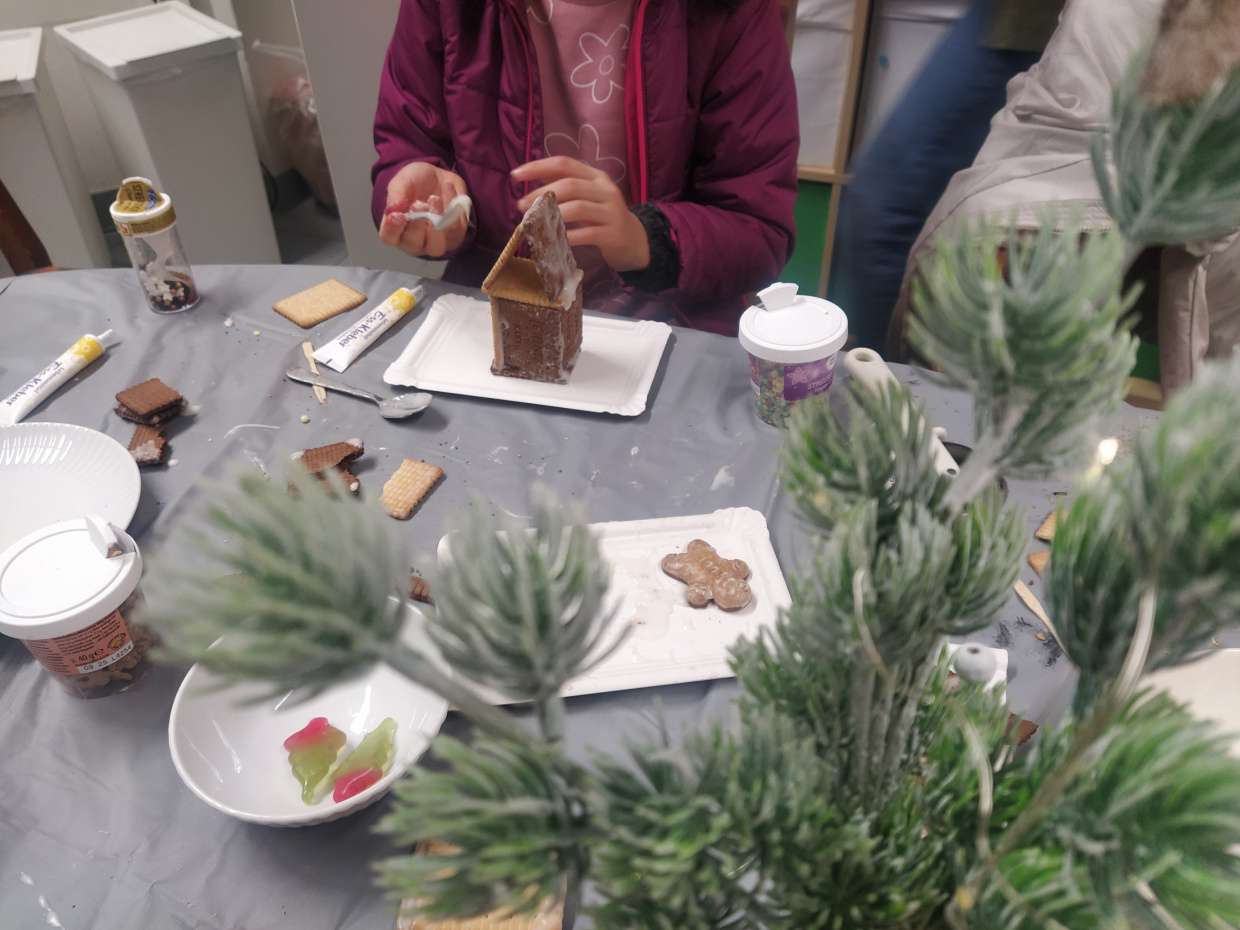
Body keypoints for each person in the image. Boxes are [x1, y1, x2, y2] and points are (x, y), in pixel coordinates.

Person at [371, 0, 799, 337]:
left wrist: (647, 240)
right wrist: (431, 207)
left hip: (665, 326)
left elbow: (760, 231)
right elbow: (407, 151)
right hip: (495, 321)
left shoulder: (732, 13)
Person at [834, 0, 1063, 350]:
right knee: (886, 212)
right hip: (1009, 18)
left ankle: (889, 394)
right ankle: (893, 388)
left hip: (1045, 24)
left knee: (884, 211)